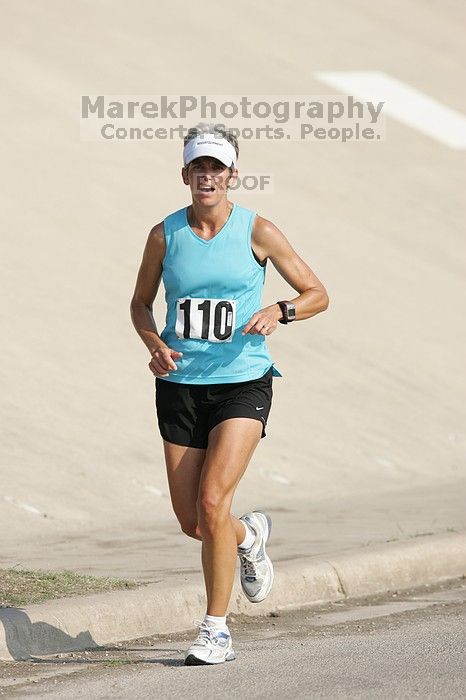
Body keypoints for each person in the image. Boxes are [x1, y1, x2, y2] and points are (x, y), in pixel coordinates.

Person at [130, 123, 329, 665]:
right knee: (195, 522)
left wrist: (279, 311)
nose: (208, 177)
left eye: (217, 168)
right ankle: (249, 537)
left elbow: (317, 293)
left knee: (214, 501)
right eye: (199, 168)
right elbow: (140, 304)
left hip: (243, 379)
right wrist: (154, 344)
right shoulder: (164, 235)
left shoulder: (257, 230)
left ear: (232, 174)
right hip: (180, 385)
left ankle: (215, 629)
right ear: (185, 175)